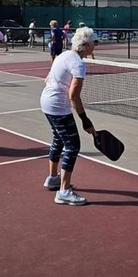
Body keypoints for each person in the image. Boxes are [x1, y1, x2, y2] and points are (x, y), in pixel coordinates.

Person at [40, 26, 99, 206]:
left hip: (46, 102)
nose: (96, 46)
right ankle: (63, 192)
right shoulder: (78, 64)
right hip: (58, 107)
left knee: (58, 139)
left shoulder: (63, 55)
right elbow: (73, 96)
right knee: (73, 146)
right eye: (94, 42)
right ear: (86, 45)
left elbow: (47, 79)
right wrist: (85, 120)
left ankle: (53, 178)